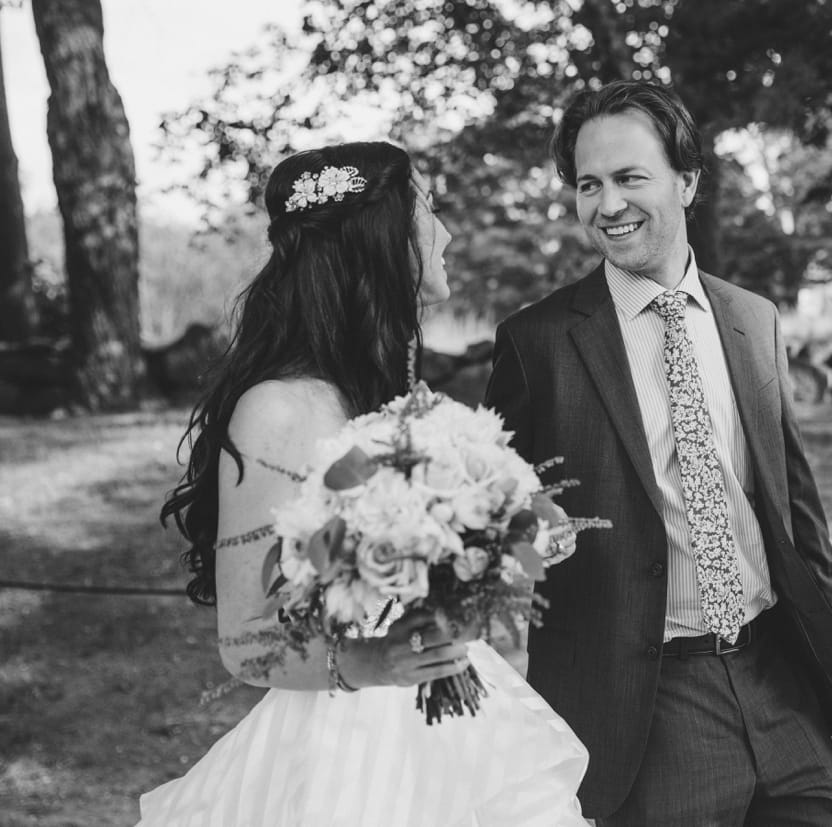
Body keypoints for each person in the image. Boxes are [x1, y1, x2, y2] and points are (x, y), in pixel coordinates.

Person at [141, 141, 588, 827]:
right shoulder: (279, 409)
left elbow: (440, 570)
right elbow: (246, 641)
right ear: (381, 238)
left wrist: (514, 535)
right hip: (348, 755)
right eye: (428, 209)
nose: (446, 234)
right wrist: (376, 661)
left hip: (461, 732)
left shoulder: (396, 399)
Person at [484, 81, 832, 826]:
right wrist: (525, 540)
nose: (608, 204)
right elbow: (488, 520)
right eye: (588, 184)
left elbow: (799, 513)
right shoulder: (536, 343)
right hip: (646, 709)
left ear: (688, 181)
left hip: (783, 681)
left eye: (629, 177)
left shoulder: (752, 320)